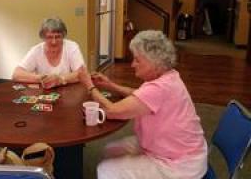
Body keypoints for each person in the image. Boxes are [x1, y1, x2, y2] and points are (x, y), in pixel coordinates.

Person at [79, 30, 207, 179]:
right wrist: (110, 85)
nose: (133, 64)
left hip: (178, 164)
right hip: (171, 149)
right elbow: (139, 95)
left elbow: (112, 111)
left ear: (154, 62)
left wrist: (89, 85)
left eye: (138, 60)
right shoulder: (169, 75)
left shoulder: (159, 87)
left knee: (106, 170)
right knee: (111, 149)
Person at [12, 17, 85, 89]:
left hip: (68, 91)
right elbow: (16, 74)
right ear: (43, 37)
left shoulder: (72, 46)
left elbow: (82, 73)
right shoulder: (36, 50)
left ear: (63, 36)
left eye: (58, 37)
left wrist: (60, 79)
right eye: (49, 37)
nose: (54, 42)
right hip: (44, 93)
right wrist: (42, 78)